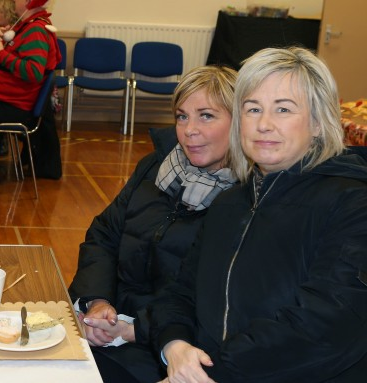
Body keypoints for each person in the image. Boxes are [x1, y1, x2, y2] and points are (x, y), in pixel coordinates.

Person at [150, 47, 367, 382]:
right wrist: (175, 346)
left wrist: (211, 372)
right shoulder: (229, 203)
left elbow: (326, 325)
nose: (264, 124)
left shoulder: (352, 203)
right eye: (253, 109)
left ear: (319, 123)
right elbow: (179, 292)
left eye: (283, 109)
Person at [67, 65, 238, 383]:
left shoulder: (244, 202)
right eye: (182, 116)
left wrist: (134, 329)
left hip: (167, 348)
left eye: (206, 116)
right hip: (106, 323)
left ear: (239, 122)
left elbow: (213, 302)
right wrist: (98, 301)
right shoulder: (155, 168)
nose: (189, 130)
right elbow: (105, 234)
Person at [0, 0, 62, 177]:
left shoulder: (36, 30)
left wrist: (0, 53)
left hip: (13, 106)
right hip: (3, 99)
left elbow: (33, 72)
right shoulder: (24, 27)